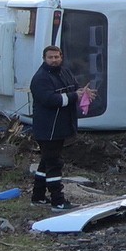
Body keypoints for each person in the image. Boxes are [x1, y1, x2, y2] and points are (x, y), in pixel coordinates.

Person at [29, 45, 95, 211]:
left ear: (61, 57)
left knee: (45, 162)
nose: (54, 60)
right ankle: (57, 201)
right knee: (54, 164)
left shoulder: (64, 72)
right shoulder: (40, 78)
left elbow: (73, 87)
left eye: (56, 57)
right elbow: (50, 100)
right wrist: (75, 96)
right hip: (47, 129)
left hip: (61, 126)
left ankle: (37, 196)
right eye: (50, 58)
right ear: (44, 59)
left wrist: (83, 92)